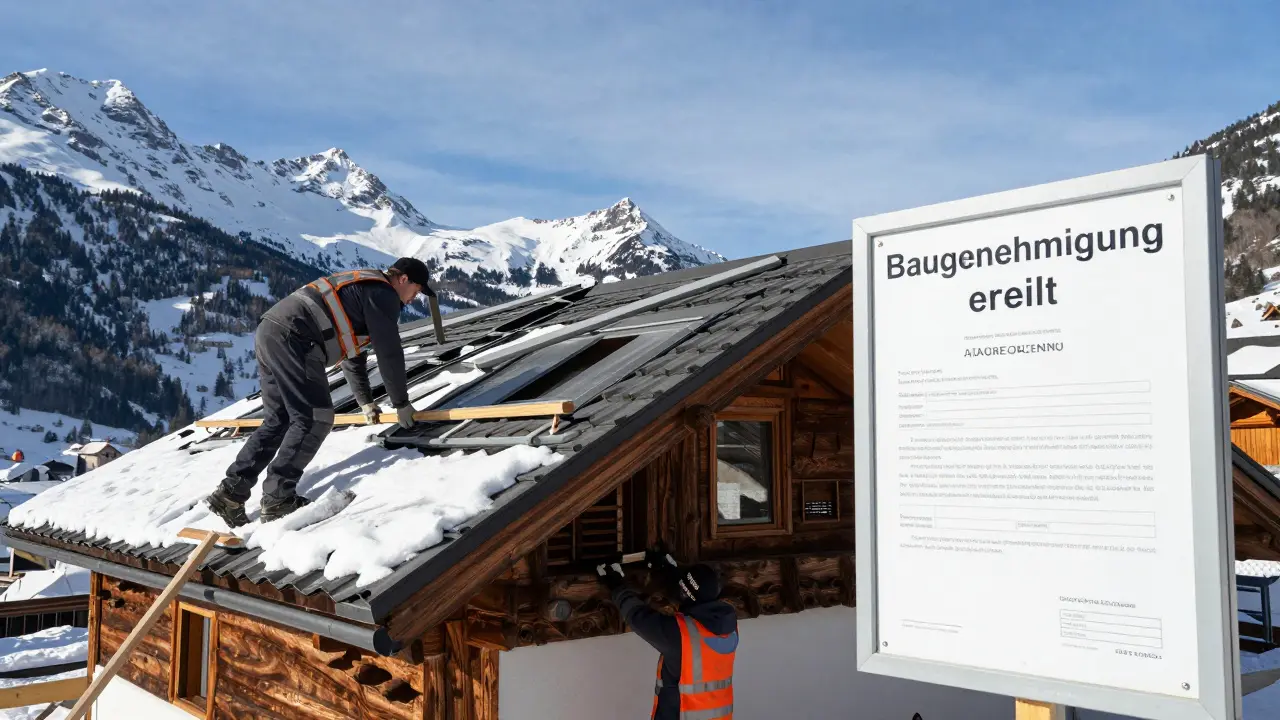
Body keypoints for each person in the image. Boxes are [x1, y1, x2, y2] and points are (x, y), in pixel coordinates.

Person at [205, 257, 433, 527]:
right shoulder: (383, 293)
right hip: (297, 337)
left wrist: (366, 402)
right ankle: (279, 498)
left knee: (279, 419)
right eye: (416, 291)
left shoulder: (363, 290)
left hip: (272, 331)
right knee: (315, 418)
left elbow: (353, 355)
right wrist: (402, 403)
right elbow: (389, 351)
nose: (411, 300)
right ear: (403, 279)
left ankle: (231, 493)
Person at [598, 547, 738, 720]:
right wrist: (667, 570)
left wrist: (615, 584)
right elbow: (693, 599)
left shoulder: (681, 636)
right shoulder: (728, 627)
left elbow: (639, 617)